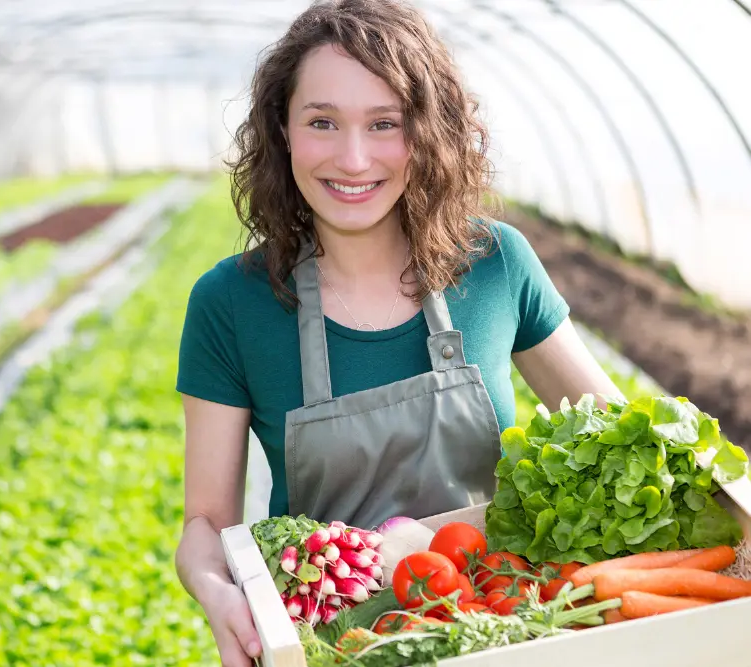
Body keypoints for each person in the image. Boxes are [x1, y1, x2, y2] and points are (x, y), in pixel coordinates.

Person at [173, 1, 623, 664]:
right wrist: (219, 592)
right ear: (283, 129)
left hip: (508, 630)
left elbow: (613, 431)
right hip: (336, 645)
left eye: (385, 123)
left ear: (428, 131)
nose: (353, 160)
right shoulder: (230, 302)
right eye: (322, 121)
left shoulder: (495, 264)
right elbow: (206, 524)